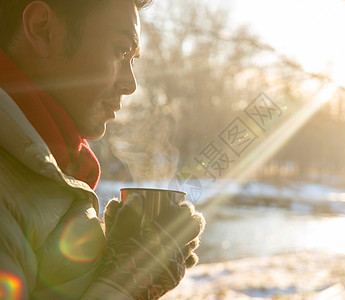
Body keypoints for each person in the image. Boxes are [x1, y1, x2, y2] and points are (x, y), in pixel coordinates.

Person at [0, 0, 205, 299]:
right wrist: (126, 284)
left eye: (133, 59)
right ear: (43, 30)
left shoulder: (52, 170)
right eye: (121, 51)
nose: (130, 84)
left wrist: (110, 256)